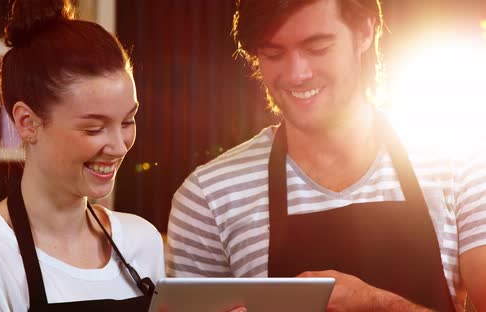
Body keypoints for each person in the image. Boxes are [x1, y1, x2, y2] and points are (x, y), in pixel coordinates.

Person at [167, 0, 486, 311]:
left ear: (364, 32)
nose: (296, 74)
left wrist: (379, 305)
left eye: (317, 48)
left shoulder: (459, 163)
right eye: (273, 53)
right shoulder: (208, 197)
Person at [0, 0, 164, 311]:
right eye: (94, 129)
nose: (119, 146)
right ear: (27, 123)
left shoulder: (142, 243)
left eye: (128, 121)